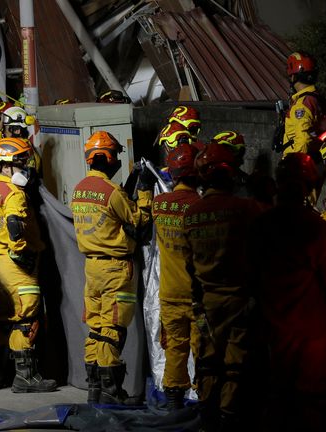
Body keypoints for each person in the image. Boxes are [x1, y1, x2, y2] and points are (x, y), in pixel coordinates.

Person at [247, 153, 326, 431]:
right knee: (313, 413)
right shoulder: (317, 229)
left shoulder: (259, 226)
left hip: (275, 340)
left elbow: (250, 279)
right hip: (313, 342)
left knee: (278, 408)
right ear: (308, 186)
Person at [183, 143, 263, 429]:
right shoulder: (247, 209)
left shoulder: (191, 214)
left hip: (206, 305)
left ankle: (207, 416)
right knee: (235, 364)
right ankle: (230, 417)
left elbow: (188, 264)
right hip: (242, 301)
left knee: (206, 360)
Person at [71, 131, 152, 404]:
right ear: (106, 158)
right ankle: (111, 391)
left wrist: (129, 182)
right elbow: (138, 221)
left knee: (95, 327)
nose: (117, 160)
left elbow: (111, 208)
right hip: (115, 269)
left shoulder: (80, 188)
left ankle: (95, 387)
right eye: (115, 155)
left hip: (92, 269)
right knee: (112, 328)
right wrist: (144, 191)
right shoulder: (112, 192)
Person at [0, 137, 57, 393]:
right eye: (21, 163)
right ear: (7, 165)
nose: (25, 168)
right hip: (16, 269)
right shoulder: (14, 193)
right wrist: (22, 254)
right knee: (24, 322)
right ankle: (26, 378)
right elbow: (15, 226)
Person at [152, 143, 202, 410]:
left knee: (174, 348)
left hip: (169, 293)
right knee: (202, 350)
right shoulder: (200, 206)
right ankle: (206, 401)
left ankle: (173, 401)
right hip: (196, 296)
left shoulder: (158, 205)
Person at [281, 52, 326, 157]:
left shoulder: (302, 105)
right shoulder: (316, 98)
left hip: (297, 163)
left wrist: (295, 165)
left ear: (293, 77)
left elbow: (303, 140)